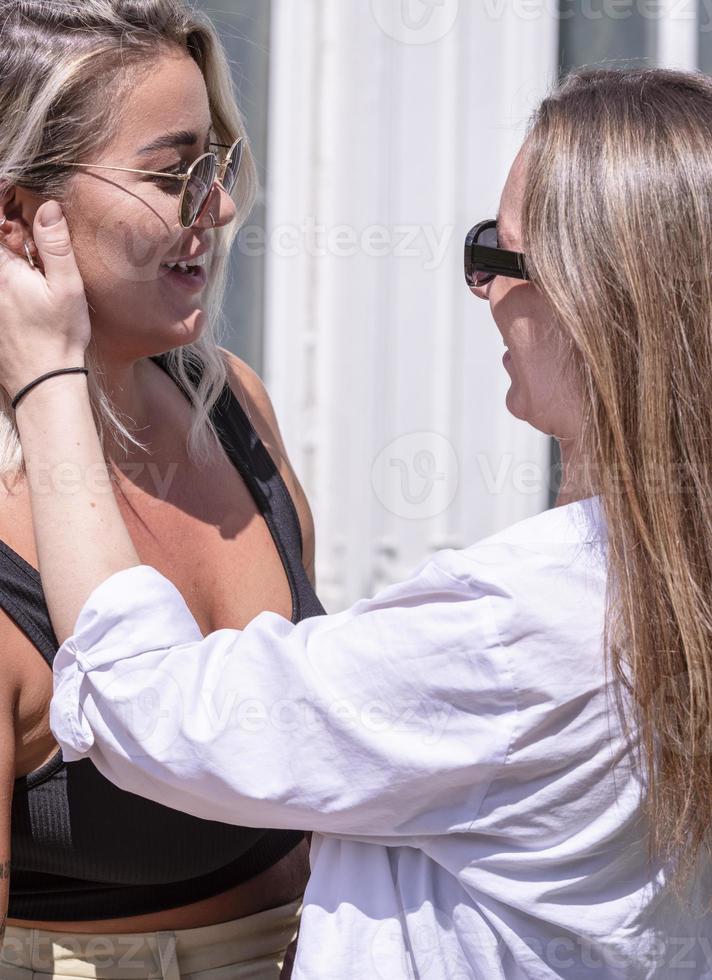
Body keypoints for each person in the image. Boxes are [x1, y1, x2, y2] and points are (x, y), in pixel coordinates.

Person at [2, 63, 712, 979]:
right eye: (172, 170)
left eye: (498, 257)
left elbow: (152, 708)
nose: (487, 292)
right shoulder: (657, 575)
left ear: (598, 300)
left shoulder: (516, 628)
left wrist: (47, 379)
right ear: (23, 216)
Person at [0, 1, 323, 977]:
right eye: (171, 170)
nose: (216, 207)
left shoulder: (231, 406)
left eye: (215, 164)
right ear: (17, 216)